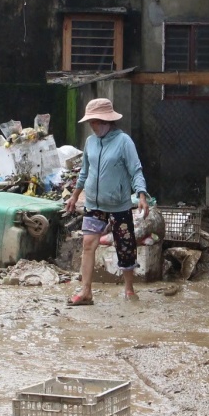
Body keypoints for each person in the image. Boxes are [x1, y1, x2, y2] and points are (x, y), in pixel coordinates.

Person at [63, 98, 149, 306]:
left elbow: (135, 169)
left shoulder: (124, 142)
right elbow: (84, 171)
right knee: (88, 244)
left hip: (119, 204)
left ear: (107, 121)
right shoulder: (90, 142)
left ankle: (129, 289)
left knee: (125, 246)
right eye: (91, 122)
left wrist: (142, 194)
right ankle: (86, 292)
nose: (93, 126)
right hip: (93, 204)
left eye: (96, 121)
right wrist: (75, 196)